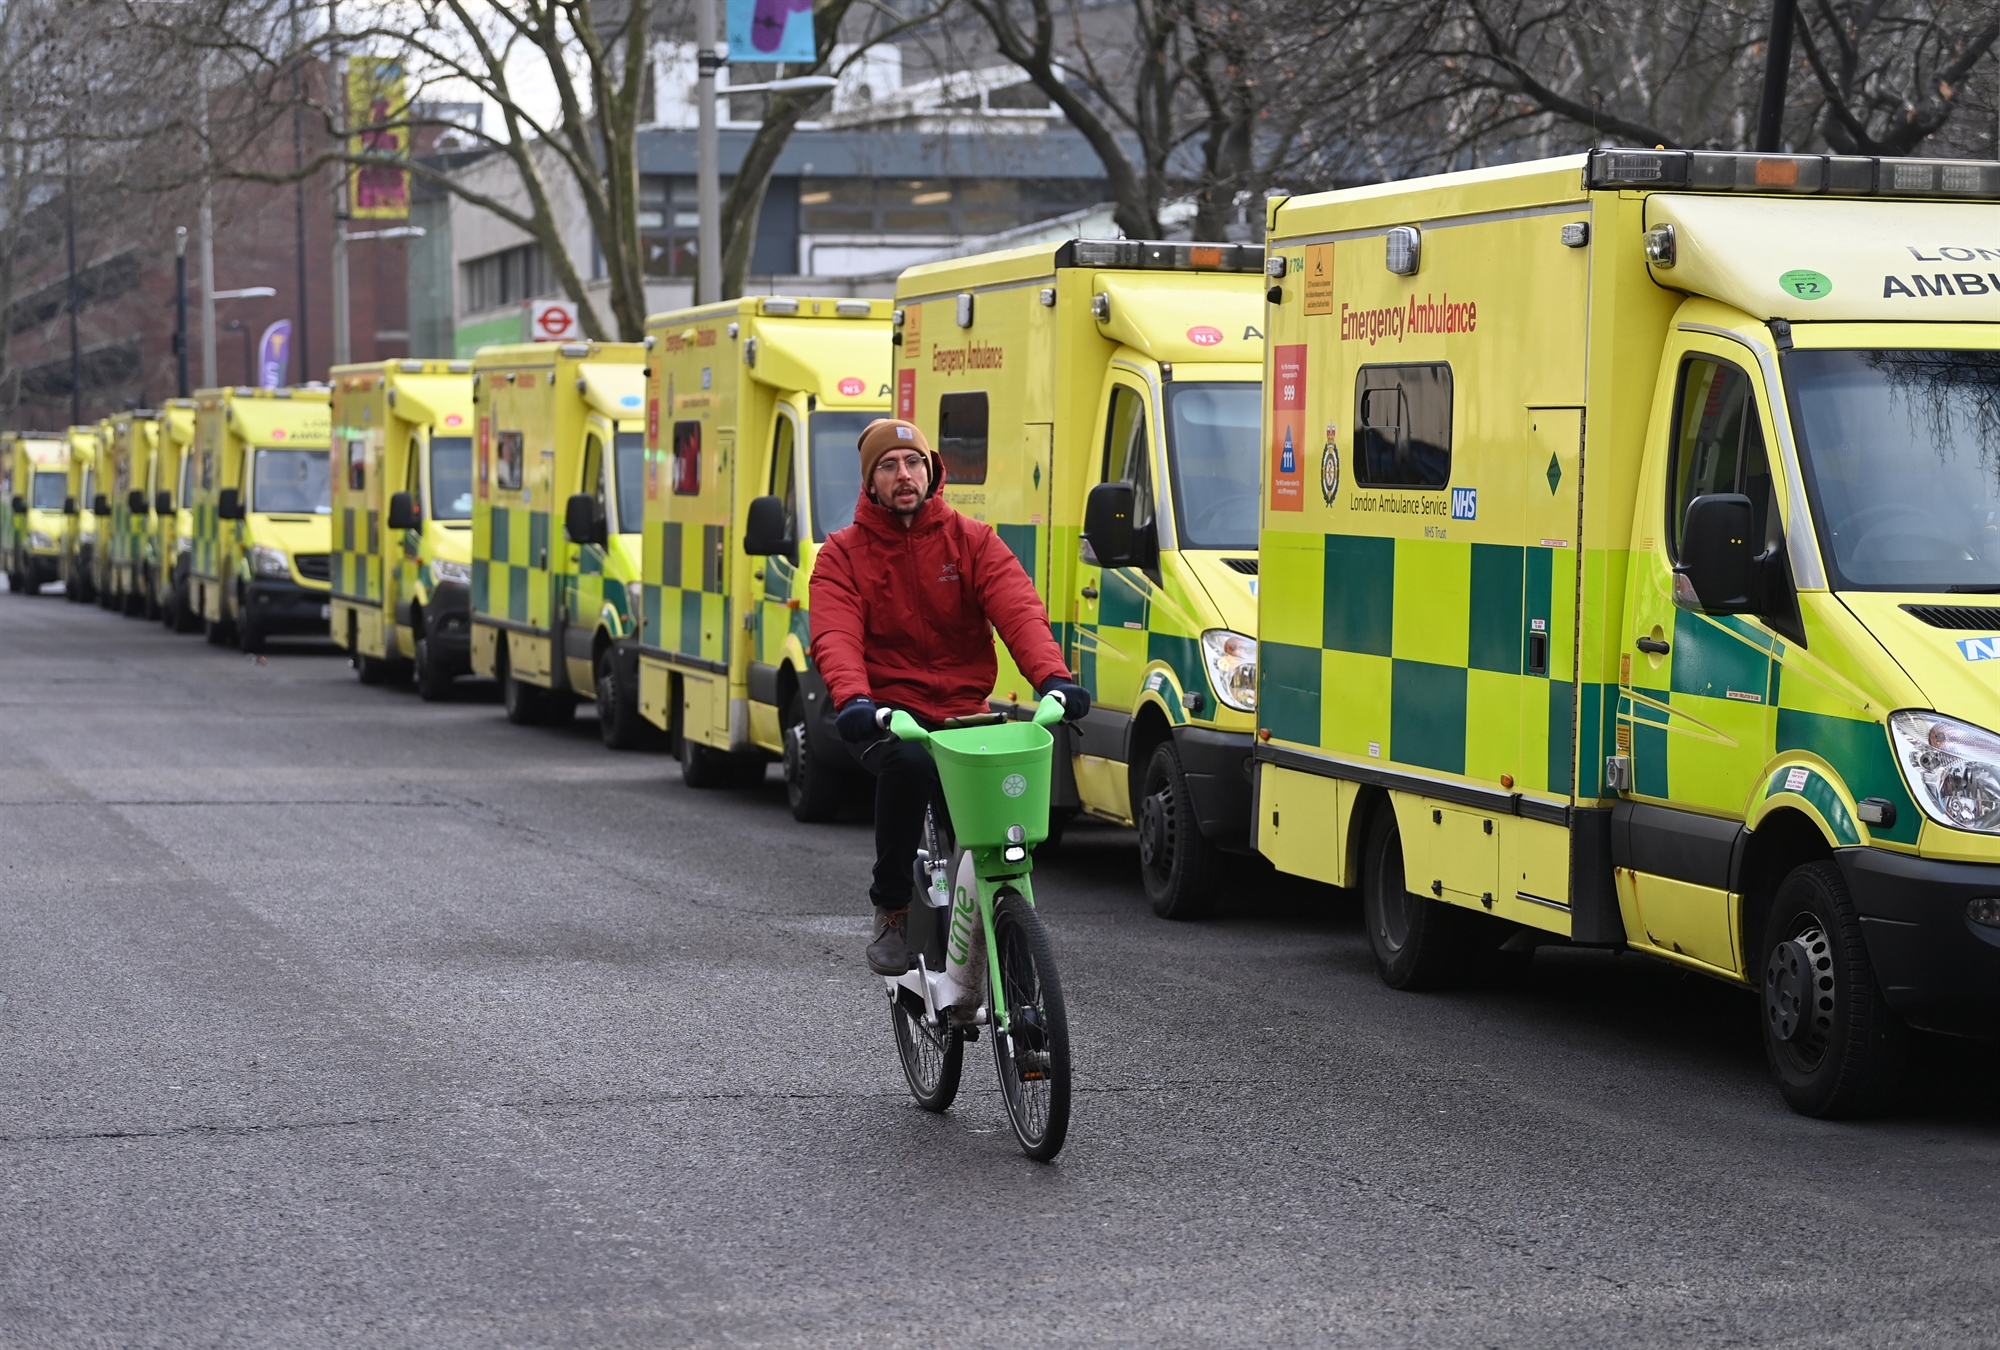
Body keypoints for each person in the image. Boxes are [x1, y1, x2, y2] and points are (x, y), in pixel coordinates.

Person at [810, 417, 1088, 975]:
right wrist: (855, 700)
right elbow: (836, 636)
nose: (904, 475)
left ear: (932, 468)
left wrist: (1053, 679)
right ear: (871, 482)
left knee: (997, 812)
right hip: (891, 717)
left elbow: (1019, 611)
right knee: (910, 765)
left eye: (913, 463)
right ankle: (892, 908)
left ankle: (1002, 916)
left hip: (965, 715)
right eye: (888, 467)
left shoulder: (971, 539)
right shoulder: (841, 555)